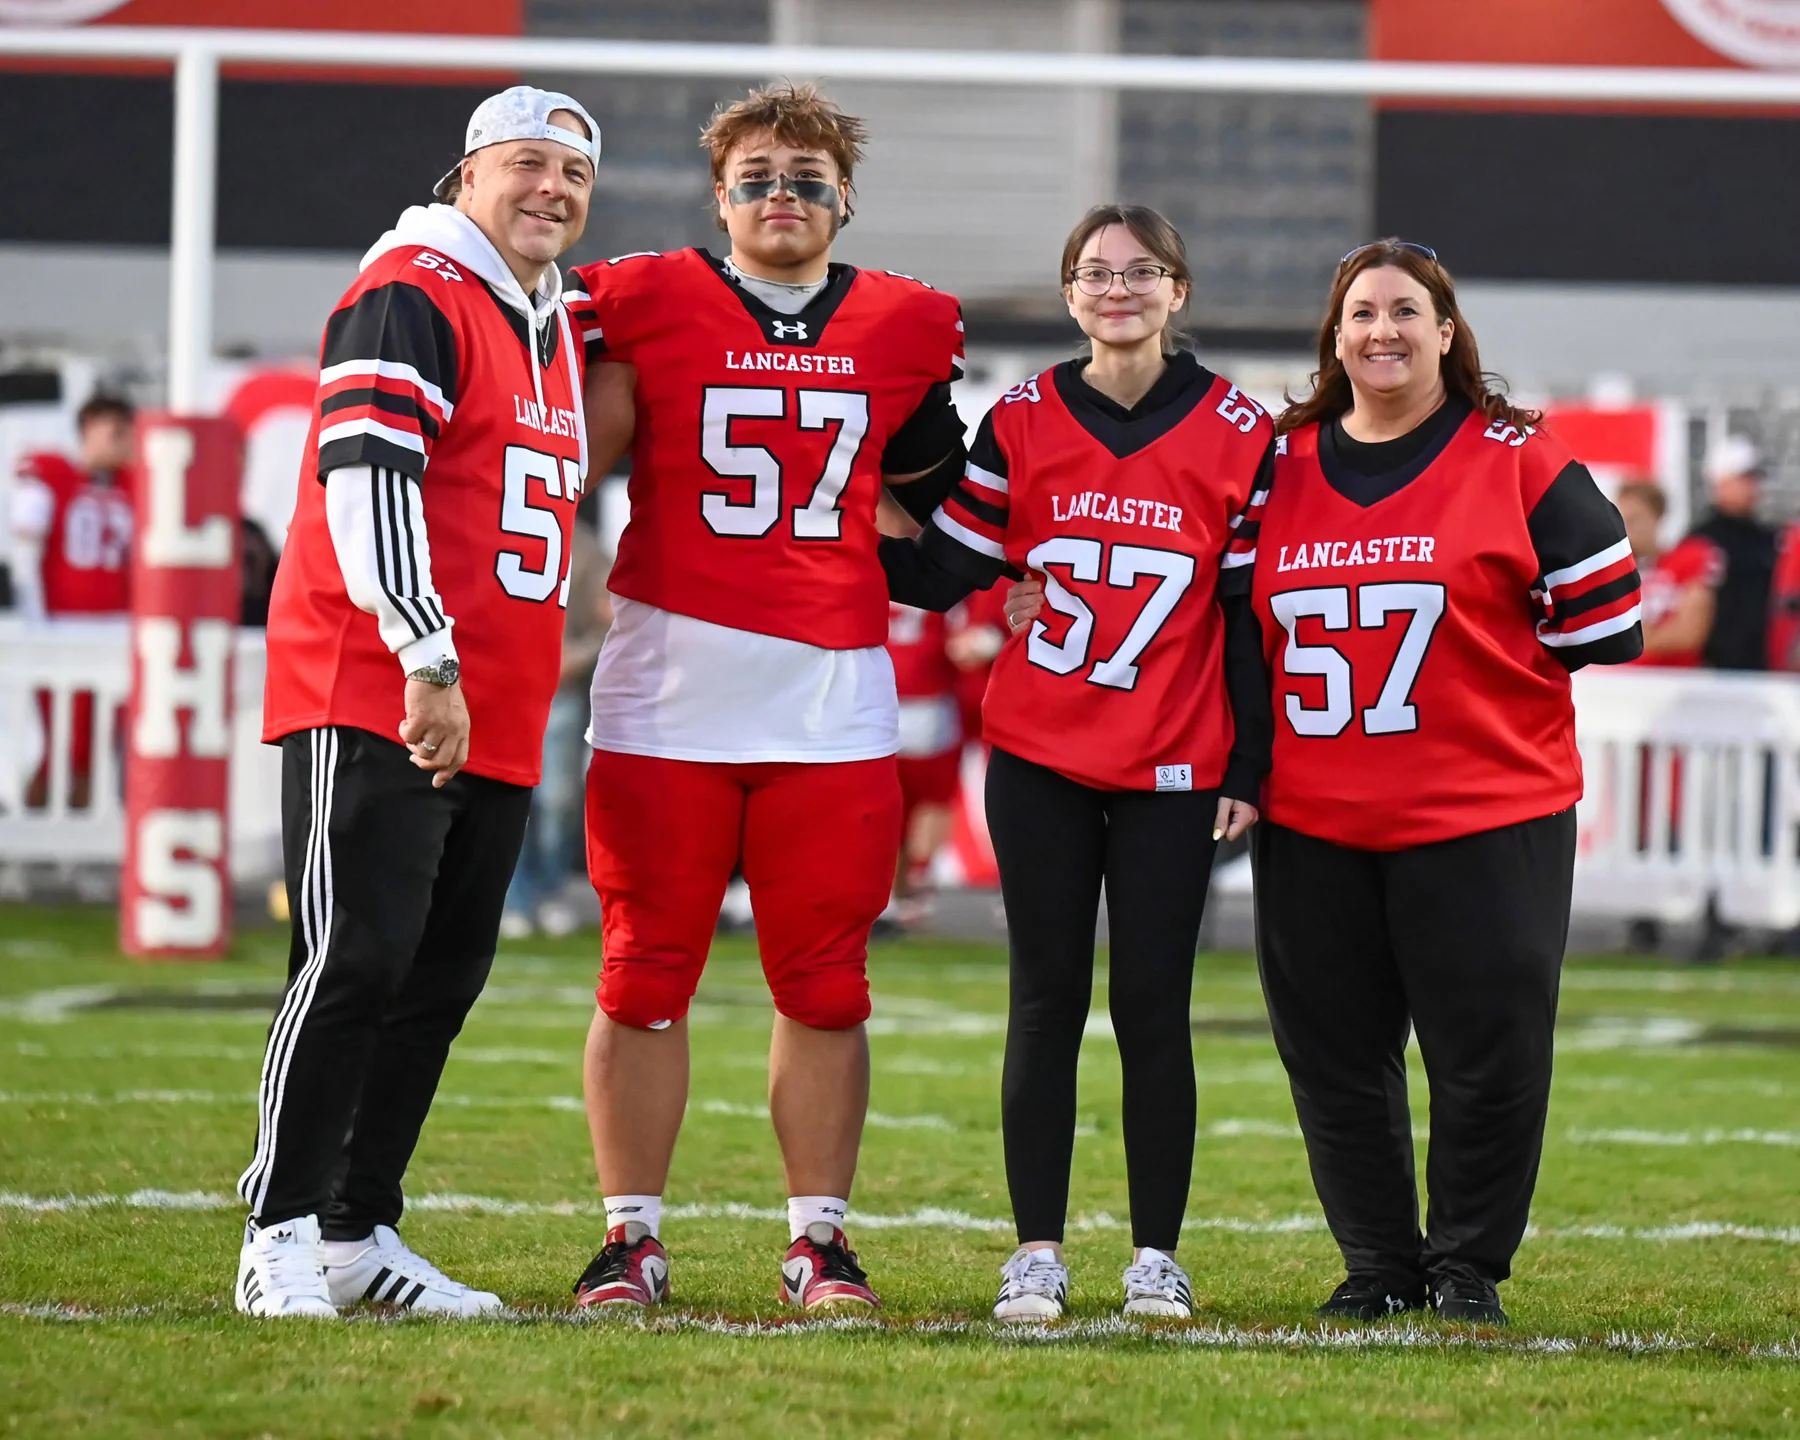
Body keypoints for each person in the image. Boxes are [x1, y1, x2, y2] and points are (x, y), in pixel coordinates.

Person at [564, 83, 968, 1311]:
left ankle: (819, 1240)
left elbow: (947, 505)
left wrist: (1011, 573)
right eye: (755, 178)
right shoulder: (643, 297)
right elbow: (561, 458)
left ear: (845, 199)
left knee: (828, 982)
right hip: (666, 692)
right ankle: (630, 1237)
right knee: (643, 974)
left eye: (804, 178)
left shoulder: (906, 322)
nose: (779, 196)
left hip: (830, 696)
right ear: (717, 198)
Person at [241, 86, 598, 1318]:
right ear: (468, 174)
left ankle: (354, 1229)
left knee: (440, 978)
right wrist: (425, 658)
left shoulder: (547, 316)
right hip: (382, 684)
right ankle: (280, 1226)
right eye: (528, 162)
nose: (552, 188)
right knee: (354, 957)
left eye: (575, 173)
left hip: (496, 700)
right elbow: (370, 476)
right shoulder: (415, 288)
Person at [882, 204, 1272, 1322]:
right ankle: (1037, 1251)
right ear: (1068, 295)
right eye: (1096, 273)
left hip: (1175, 760)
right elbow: (946, 568)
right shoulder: (1021, 416)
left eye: (1142, 272)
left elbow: (1249, 613)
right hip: (1042, 752)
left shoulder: (1241, 425)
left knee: (1154, 1007)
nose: (1118, 289)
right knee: (1045, 1002)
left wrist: (1249, 762)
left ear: (1177, 290)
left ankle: (1156, 1255)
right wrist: (834, 496)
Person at [1250, 239, 1642, 1325]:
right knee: (1334, 1057)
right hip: (1315, 813)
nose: (1383, 330)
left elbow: (1609, 623)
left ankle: (1467, 1265)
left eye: (1405, 311)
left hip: (1484, 812)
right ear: (1335, 337)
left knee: (1489, 1057)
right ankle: (1377, 1263)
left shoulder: (1517, 456)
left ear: (1446, 330)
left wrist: (1487, 677)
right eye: (1362, 312)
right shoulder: (1275, 464)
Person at [12, 392, 138, 810]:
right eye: (115, 431)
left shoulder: (133, 485)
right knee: (65, 750)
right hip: (65, 631)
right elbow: (27, 546)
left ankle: (75, 829)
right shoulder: (55, 476)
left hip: (117, 633)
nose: (124, 442)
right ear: (88, 429)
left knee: (98, 752)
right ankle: (33, 829)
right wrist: (36, 622)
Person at [500, 518, 611, 939]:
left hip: (560, 690)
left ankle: (550, 890)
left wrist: (575, 657)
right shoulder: (496, 526)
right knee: (509, 794)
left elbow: (608, 617)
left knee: (558, 799)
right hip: (507, 686)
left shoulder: (586, 548)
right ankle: (514, 898)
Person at [1689, 434, 1774, 672]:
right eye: (1744, 478)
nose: (1753, 487)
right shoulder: (1700, 540)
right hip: (1716, 672)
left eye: (1755, 479)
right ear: (1720, 481)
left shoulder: (1768, 540)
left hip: (1766, 669)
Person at [1615, 480, 1717, 667]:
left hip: (1670, 678)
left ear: (1657, 517)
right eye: (1619, 521)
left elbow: (1689, 633)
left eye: (1634, 520)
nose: (1625, 529)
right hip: (1615, 679)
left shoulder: (1688, 559)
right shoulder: (1611, 571)